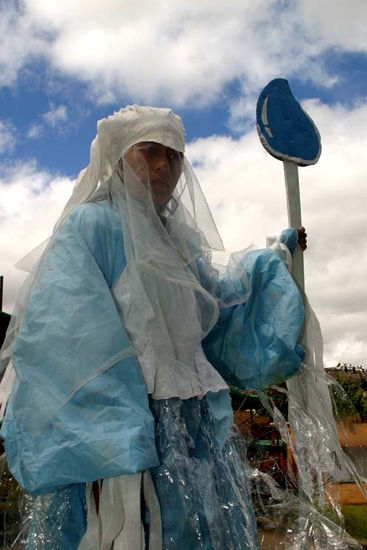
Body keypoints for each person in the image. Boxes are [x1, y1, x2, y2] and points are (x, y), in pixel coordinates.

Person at [0, 106, 305, 549]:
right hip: (125, 432)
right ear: (118, 157)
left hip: (194, 429)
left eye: (174, 155)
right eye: (149, 151)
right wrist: (116, 436)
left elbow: (216, 310)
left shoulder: (179, 241)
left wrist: (277, 258)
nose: (164, 166)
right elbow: (67, 339)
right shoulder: (91, 228)